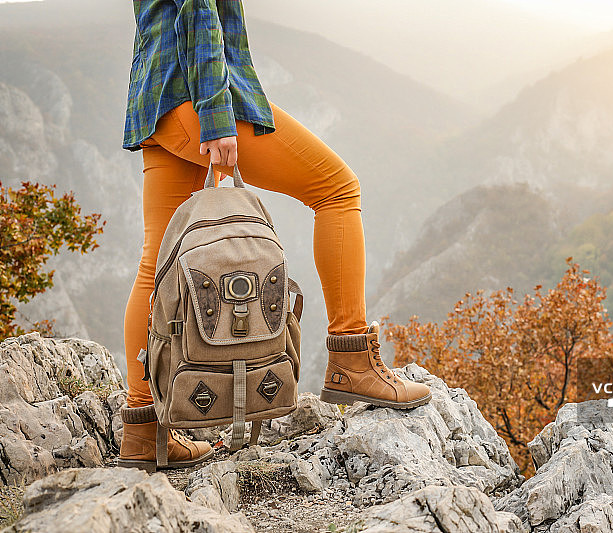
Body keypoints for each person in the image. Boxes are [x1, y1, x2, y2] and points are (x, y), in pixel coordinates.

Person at [119, 0, 430, 471]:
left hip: (157, 99)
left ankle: (144, 430)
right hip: (198, 96)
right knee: (337, 188)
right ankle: (352, 360)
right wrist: (217, 114)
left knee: (157, 264)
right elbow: (199, 8)